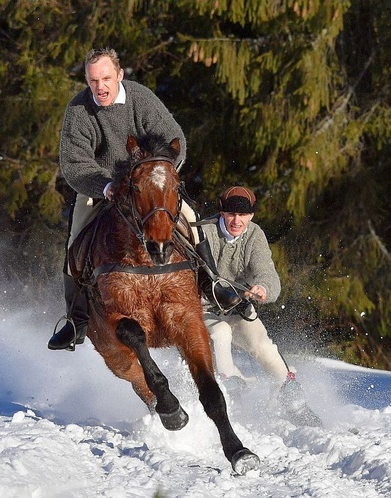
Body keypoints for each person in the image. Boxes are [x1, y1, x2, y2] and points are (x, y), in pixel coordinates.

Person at [47, 47, 199, 351]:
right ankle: (77, 319)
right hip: (101, 189)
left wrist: (158, 175)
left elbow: (174, 140)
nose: (100, 87)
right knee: (74, 243)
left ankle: (210, 288)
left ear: (119, 75)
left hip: (148, 186)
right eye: (93, 81)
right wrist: (105, 186)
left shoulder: (140, 98)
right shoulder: (78, 110)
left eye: (105, 78)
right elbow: (74, 163)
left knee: (193, 225)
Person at [199, 185, 322, 427]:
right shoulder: (204, 232)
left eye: (243, 215)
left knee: (264, 347)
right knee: (220, 334)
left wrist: (263, 288)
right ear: (222, 213)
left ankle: (295, 404)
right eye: (232, 214)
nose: (237, 220)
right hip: (203, 308)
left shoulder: (255, 235)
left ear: (251, 215)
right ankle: (228, 395)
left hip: (238, 307)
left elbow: (267, 273)